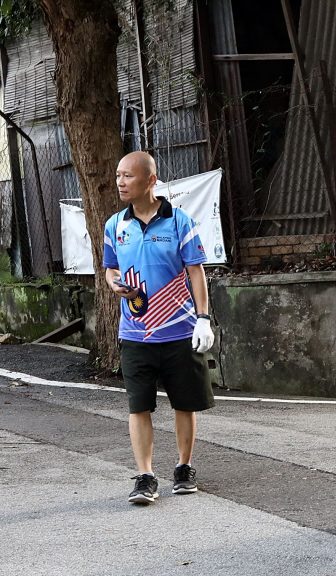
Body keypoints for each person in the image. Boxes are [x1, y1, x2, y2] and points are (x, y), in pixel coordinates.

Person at [102, 151, 215, 505]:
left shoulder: (180, 222)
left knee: (185, 403)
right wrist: (114, 283)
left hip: (179, 332)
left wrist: (203, 318)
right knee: (138, 406)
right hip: (135, 333)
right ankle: (145, 475)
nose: (120, 182)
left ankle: (184, 467)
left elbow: (196, 271)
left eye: (127, 176)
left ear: (150, 180)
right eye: (118, 175)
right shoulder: (114, 226)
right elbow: (109, 267)